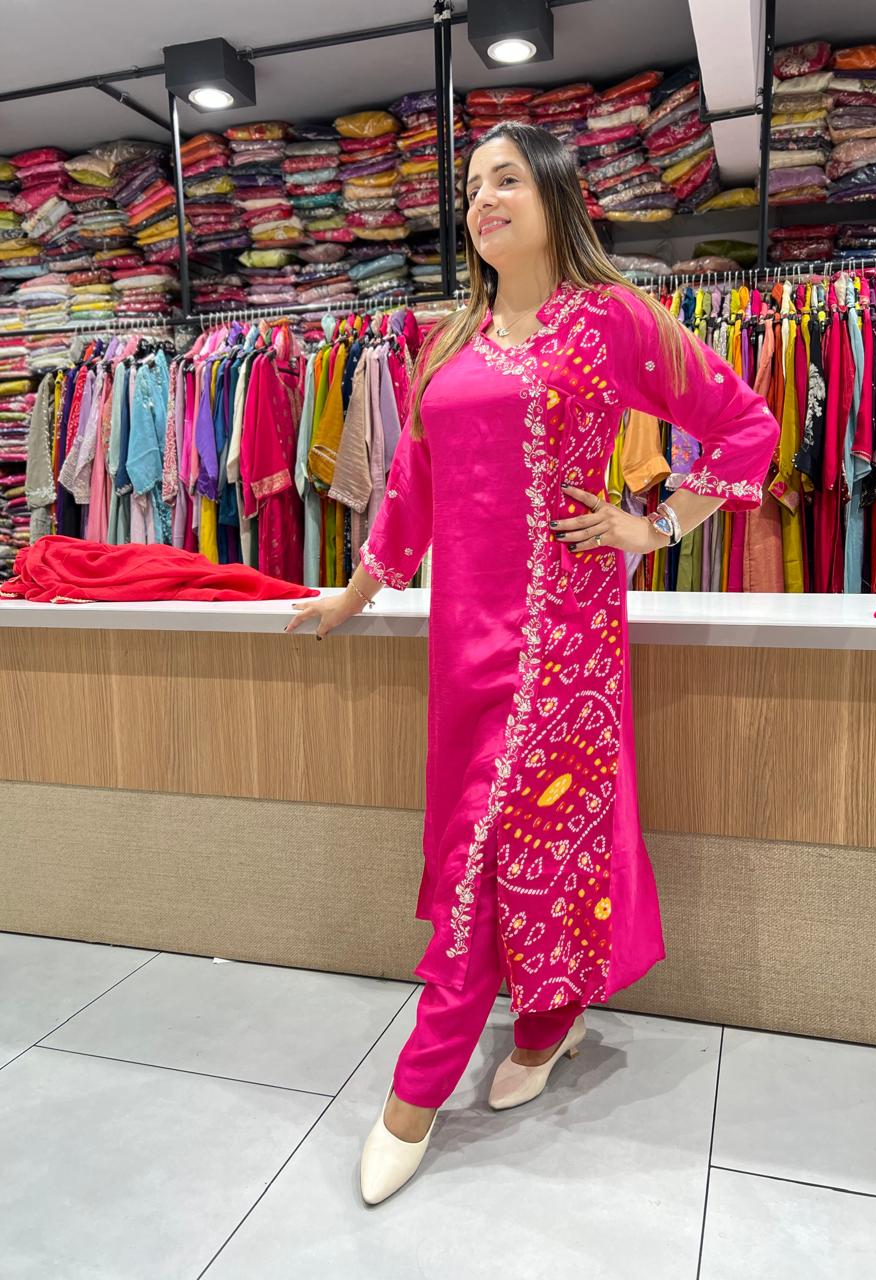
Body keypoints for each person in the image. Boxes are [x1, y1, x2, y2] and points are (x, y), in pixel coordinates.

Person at [285, 121, 780, 1205]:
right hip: (463, 646)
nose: (483, 198)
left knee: (492, 844)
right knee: (517, 840)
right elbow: (410, 488)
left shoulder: (612, 319)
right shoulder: (447, 340)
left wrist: (654, 524)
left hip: (564, 640)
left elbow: (747, 424)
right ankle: (552, 1018)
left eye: (506, 178)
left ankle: (416, 1090)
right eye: (472, 184)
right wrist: (354, 594)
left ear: (555, 194)